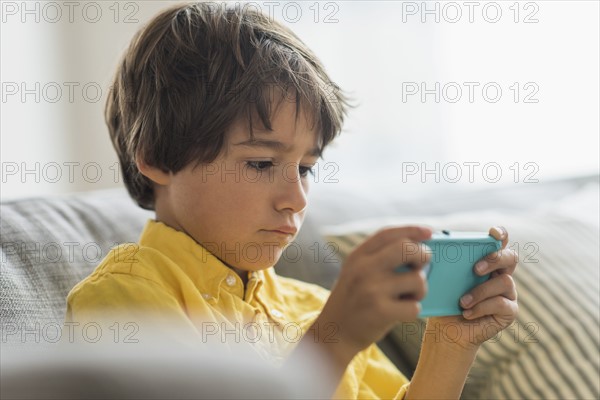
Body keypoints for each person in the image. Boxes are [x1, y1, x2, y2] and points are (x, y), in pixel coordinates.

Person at [65, 2, 519, 398]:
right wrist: (333, 342)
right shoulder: (122, 299)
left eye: (305, 169)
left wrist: (450, 345)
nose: (296, 199)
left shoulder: (313, 306)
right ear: (157, 158)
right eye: (261, 164)